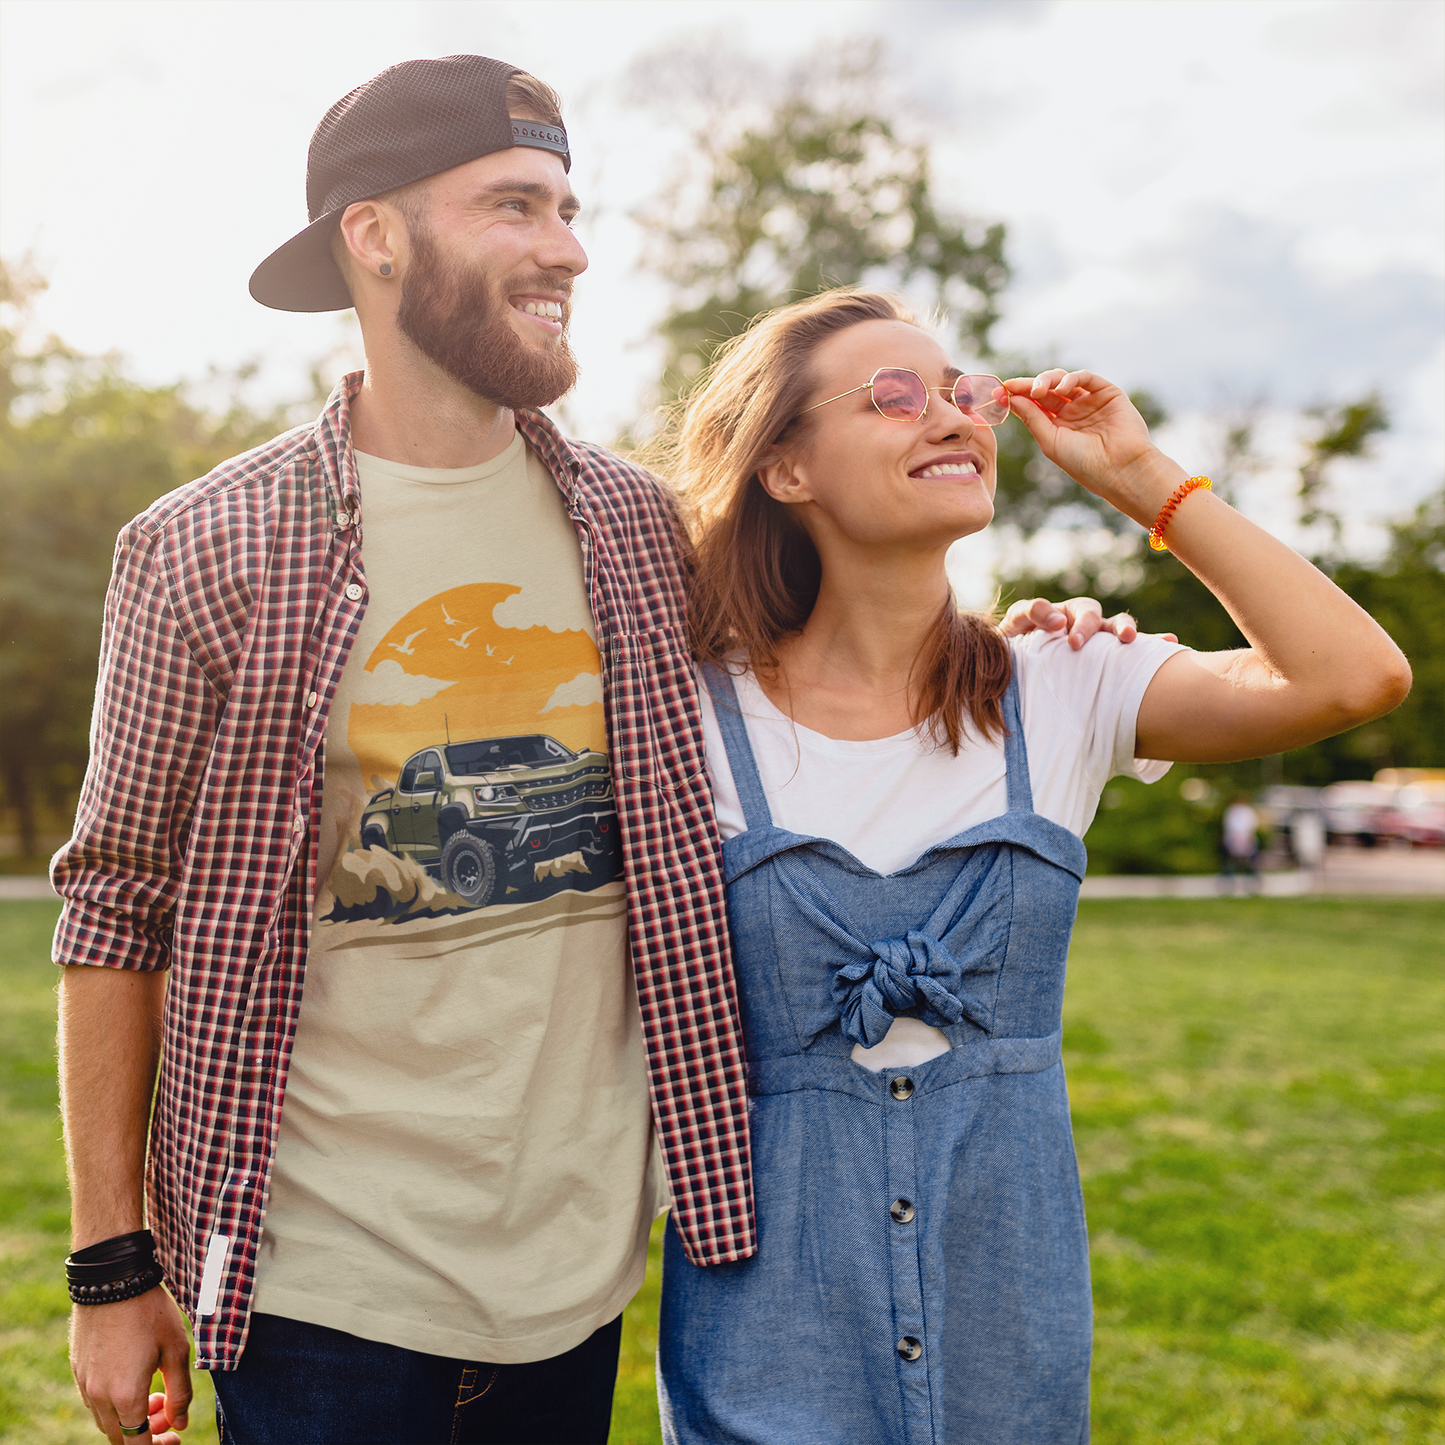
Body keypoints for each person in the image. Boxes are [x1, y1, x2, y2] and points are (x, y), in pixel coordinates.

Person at [51, 57, 1128, 1445]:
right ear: (373, 236)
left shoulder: (636, 531)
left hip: (578, 1285)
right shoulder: (206, 550)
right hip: (320, 1292)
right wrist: (110, 1264)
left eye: (567, 205)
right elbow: (117, 906)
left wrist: (1030, 630)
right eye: (514, 204)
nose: (566, 246)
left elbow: (835, 637)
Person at [653, 289, 1411, 1445]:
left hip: (1011, 1320)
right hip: (766, 1326)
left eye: (961, 391)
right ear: (785, 467)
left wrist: (1141, 478)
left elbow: (1351, 677)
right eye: (895, 395)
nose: (952, 415)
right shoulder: (686, 716)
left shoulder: (1061, 684)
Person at [1221, 793, 1262, 882]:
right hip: (1234, 838)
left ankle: (1251, 876)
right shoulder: (1232, 811)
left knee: (1250, 860)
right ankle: (1228, 878)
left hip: (1246, 838)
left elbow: (1252, 826)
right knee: (1231, 860)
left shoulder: (1246, 811)